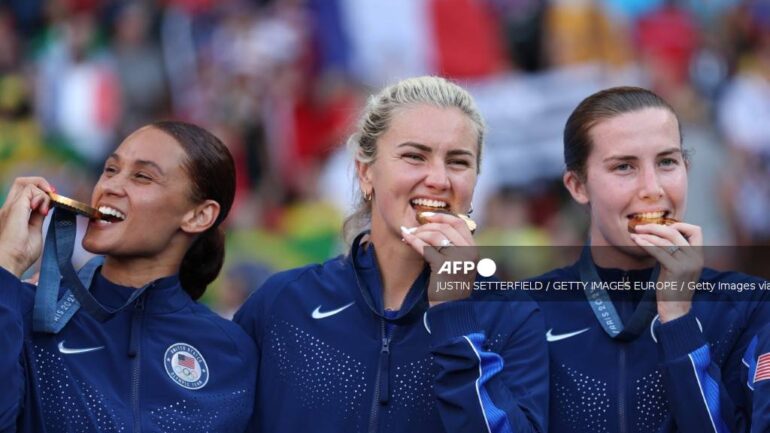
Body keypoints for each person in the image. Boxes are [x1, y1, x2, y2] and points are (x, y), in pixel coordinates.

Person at [234, 76, 549, 433]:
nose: (439, 179)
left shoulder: (511, 317)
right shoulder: (283, 304)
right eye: (414, 156)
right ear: (366, 173)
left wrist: (455, 318)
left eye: (459, 162)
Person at [532, 86, 770, 433]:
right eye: (624, 166)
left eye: (667, 162)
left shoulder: (750, 305)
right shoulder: (524, 309)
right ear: (577, 185)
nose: (652, 187)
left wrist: (679, 322)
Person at [0, 121, 256, 433]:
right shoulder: (26, 312)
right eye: (110, 170)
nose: (109, 186)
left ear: (198, 216)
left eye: (142, 176)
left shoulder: (231, 352)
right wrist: (6, 263)